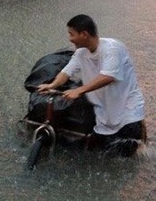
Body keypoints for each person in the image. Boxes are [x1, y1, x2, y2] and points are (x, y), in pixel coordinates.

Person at [37, 14, 146, 156]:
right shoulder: (81, 52)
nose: (69, 38)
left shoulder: (112, 48)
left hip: (128, 112)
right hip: (105, 114)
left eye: (71, 34)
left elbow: (108, 76)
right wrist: (52, 85)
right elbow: (66, 72)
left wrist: (79, 91)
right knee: (99, 156)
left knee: (126, 160)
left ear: (84, 34)